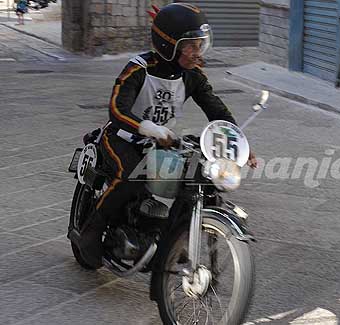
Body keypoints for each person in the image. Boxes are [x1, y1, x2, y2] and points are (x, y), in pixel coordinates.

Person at [78, 3, 257, 268]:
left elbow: (216, 109)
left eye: (200, 45)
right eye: (191, 46)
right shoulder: (139, 68)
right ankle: (92, 230)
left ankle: (173, 238)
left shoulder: (192, 75)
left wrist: (239, 144)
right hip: (121, 138)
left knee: (197, 180)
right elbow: (117, 109)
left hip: (163, 143)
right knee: (130, 176)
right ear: (168, 44)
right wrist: (149, 129)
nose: (197, 52)